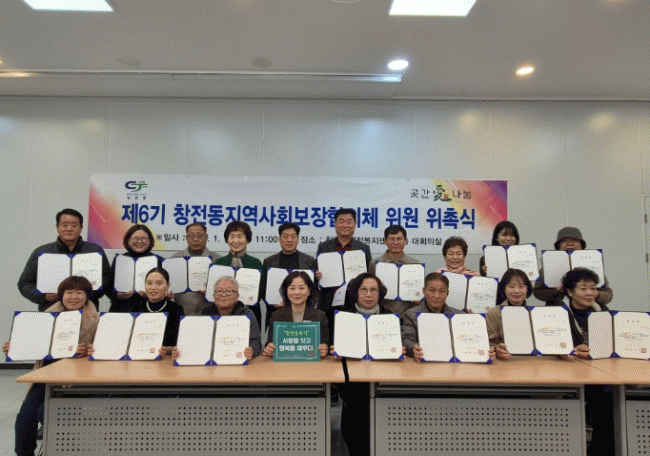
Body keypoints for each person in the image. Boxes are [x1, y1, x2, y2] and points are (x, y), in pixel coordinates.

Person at [4, 276, 99, 456]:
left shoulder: (97, 319)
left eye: (79, 292)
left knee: (46, 413)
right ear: (61, 295)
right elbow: (32, 344)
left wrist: (88, 350)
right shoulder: (45, 318)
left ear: (87, 296)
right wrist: (14, 347)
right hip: (46, 376)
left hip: (77, 380)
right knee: (25, 417)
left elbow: (103, 349)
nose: (74, 297)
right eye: (69, 292)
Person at [330, 272, 400, 456]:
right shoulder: (344, 316)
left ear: (380, 293)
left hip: (383, 378)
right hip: (354, 384)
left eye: (373, 290)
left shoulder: (389, 316)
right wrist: (335, 349)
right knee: (355, 429)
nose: (369, 295)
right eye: (364, 290)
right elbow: (333, 345)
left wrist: (399, 349)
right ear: (356, 292)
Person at [549, 268, 613, 456]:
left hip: (600, 372)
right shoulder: (558, 312)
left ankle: (601, 448)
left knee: (608, 396)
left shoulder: (602, 311)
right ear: (570, 292)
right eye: (583, 288)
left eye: (593, 288)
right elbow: (552, 343)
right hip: (569, 372)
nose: (590, 293)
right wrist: (572, 350)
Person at [17, 208, 111, 311]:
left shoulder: (94, 251)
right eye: (64, 225)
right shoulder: (42, 252)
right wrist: (44, 297)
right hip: (51, 309)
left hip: (87, 311)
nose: (69, 229)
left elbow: (107, 279)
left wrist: (90, 292)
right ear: (57, 227)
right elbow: (24, 284)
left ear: (81, 227)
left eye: (74, 225)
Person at [170, 276, 261, 361]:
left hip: (237, 361)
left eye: (229, 291)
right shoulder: (204, 314)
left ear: (237, 296)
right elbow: (192, 341)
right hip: (208, 362)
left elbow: (256, 342)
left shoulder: (246, 314)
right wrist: (180, 351)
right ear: (213, 296)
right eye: (219, 291)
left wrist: (252, 350)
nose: (223, 294)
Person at [316, 208, 372, 325]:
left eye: (349, 221)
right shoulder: (324, 247)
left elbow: (368, 276)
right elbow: (315, 273)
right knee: (328, 332)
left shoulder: (363, 248)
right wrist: (316, 275)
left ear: (355, 225)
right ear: (335, 224)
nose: (345, 225)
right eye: (341, 221)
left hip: (354, 300)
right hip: (328, 300)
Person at [533, 227, 613, 305]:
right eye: (565, 241)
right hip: (557, 308)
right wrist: (555, 292)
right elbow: (537, 292)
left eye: (574, 240)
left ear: (581, 245)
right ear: (558, 246)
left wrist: (595, 293)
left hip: (590, 308)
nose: (570, 244)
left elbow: (608, 294)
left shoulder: (593, 263)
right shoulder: (548, 264)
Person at [260, 222, 317, 328]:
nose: (289, 240)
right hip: (277, 313)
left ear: (298, 239)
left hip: (303, 314)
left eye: (293, 236)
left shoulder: (309, 261)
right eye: (285, 236)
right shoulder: (269, 262)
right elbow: (262, 289)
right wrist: (273, 304)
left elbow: (313, 289)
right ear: (279, 239)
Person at [263, 271, 329, 359]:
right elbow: (270, 342)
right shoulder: (276, 316)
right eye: (292, 288)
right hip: (284, 364)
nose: (297, 292)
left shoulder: (320, 316)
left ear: (309, 291)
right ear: (286, 291)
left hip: (311, 364)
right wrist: (270, 348)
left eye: (301, 288)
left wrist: (325, 348)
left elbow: (326, 343)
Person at [402, 272, 464, 361]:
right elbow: (407, 338)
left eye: (442, 291)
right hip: (423, 362)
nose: (437, 296)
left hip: (452, 363)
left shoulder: (459, 316)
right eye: (432, 290)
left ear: (447, 293)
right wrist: (413, 347)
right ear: (424, 291)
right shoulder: (411, 314)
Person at [214, 221, 263, 328]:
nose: (236, 241)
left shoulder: (256, 263)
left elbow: (261, 290)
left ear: (247, 239)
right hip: (223, 311)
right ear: (227, 240)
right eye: (232, 237)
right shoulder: (219, 263)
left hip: (251, 310)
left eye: (240, 236)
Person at [368, 225, 422, 315]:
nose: (395, 243)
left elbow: (419, 293)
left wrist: (418, 297)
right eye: (391, 239)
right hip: (382, 314)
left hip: (408, 315)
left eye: (399, 239)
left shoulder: (415, 264)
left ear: (405, 241)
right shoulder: (375, 264)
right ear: (385, 241)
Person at [107, 224, 162, 312]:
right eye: (135, 238)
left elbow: (164, 288)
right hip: (121, 308)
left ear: (150, 241)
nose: (139, 241)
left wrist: (152, 294)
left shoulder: (158, 260)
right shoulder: (119, 259)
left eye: (144, 238)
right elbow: (108, 287)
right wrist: (119, 295)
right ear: (128, 240)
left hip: (149, 309)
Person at [129, 267, 184, 355]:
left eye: (159, 283)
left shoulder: (175, 309)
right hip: (138, 356)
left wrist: (167, 350)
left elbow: (179, 343)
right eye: (149, 283)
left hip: (166, 358)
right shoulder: (136, 308)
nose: (153, 287)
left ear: (168, 286)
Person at [171, 223, 221, 315]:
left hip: (210, 312)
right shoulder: (174, 259)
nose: (195, 239)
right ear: (186, 238)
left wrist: (211, 291)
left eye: (200, 235)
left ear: (206, 237)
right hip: (181, 312)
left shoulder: (218, 260)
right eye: (191, 236)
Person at [486, 268, 532, 359]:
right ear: (504, 289)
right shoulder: (493, 313)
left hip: (531, 360)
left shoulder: (535, 314)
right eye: (511, 286)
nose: (516, 291)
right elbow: (489, 342)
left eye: (521, 286)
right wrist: (496, 349)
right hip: (504, 361)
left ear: (527, 289)